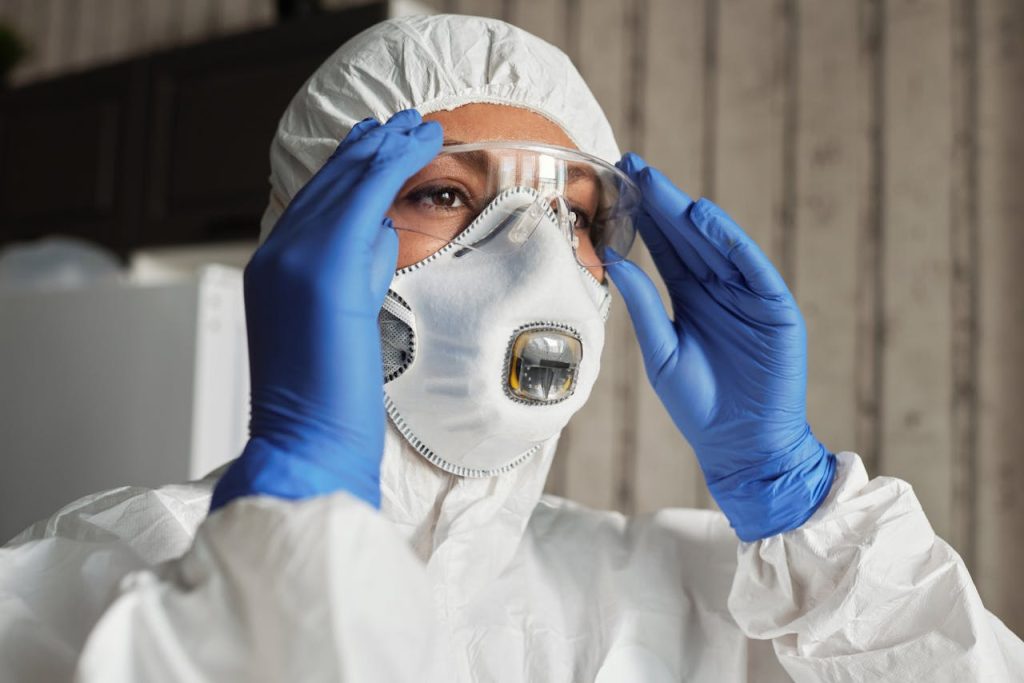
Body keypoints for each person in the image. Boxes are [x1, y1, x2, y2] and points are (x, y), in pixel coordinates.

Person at [1, 14, 1021, 682]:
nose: (533, 257)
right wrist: (298, 517)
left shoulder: (695, 598)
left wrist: (806, 512)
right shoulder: (95, 578)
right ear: (306, 240)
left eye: (572, 216)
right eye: (445, 193)